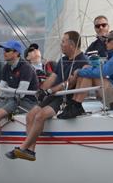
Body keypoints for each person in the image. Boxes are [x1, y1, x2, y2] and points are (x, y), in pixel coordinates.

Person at [6, 31, 88, 162]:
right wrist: (41, 89)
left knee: (40, 116)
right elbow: (53, 77)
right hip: (53, 95)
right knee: (30, 116)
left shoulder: (83, 61)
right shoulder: (63, 60)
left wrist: (49, 91)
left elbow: (70, 82)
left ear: (72, 45)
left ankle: (22, 147)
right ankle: (30, 151)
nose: (61, 44)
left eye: (63, 41)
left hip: (64, 97)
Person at [0, 40, 39, 172]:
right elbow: (2, 91)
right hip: (10, 99)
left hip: (24, 102)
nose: (4, 53)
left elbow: (21, 93)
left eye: (7, 51)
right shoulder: (6, 67)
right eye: (4, 50)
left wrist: (8, 90)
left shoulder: (25, 67)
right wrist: (10, 90)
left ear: (16, 53)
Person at [60, 30, 113, 119]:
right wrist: (85, 69)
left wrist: (78, 72)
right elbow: (102, 70)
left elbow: (103, 72)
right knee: (86, 69)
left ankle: (76, 105)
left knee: (87, 73)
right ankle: (74, 104)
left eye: (108, 40)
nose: (105, 43)